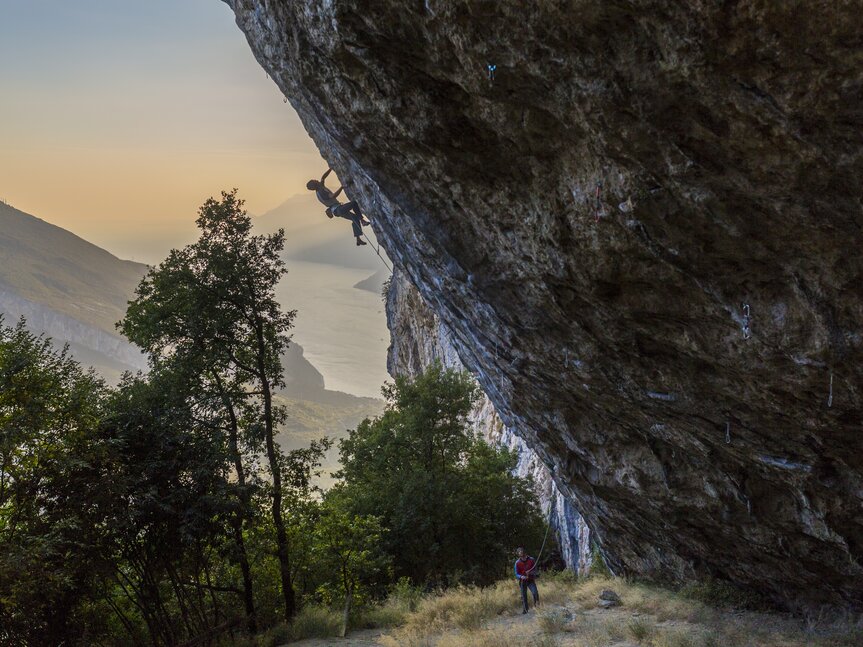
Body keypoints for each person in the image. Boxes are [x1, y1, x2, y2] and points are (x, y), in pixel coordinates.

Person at [306, 168, 370, 246]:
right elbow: (333, 196)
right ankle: (362, 220)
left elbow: (323, 177)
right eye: (314, 181)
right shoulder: (321, 192)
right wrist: (342, 187)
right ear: (314, 185)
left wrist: (331, 168)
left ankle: (358, 239)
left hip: (338, 211)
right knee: (354, 203)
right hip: (338, 209)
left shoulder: (320, 187)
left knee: (355, 218)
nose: (316, 180)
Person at [514, 546, 540, 614]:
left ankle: (537, 607)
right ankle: (525, 609)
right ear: (518, 554)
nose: (521, 554)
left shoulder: (531, 559)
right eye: (520, 553)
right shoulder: (517, 563)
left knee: (535, 593)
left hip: (530, 580)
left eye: (522, 552)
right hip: (522, 581)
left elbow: (535, 570)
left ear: (524, 552)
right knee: (523, 596)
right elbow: (516, 574)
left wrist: (530, 572)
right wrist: (521, 576)